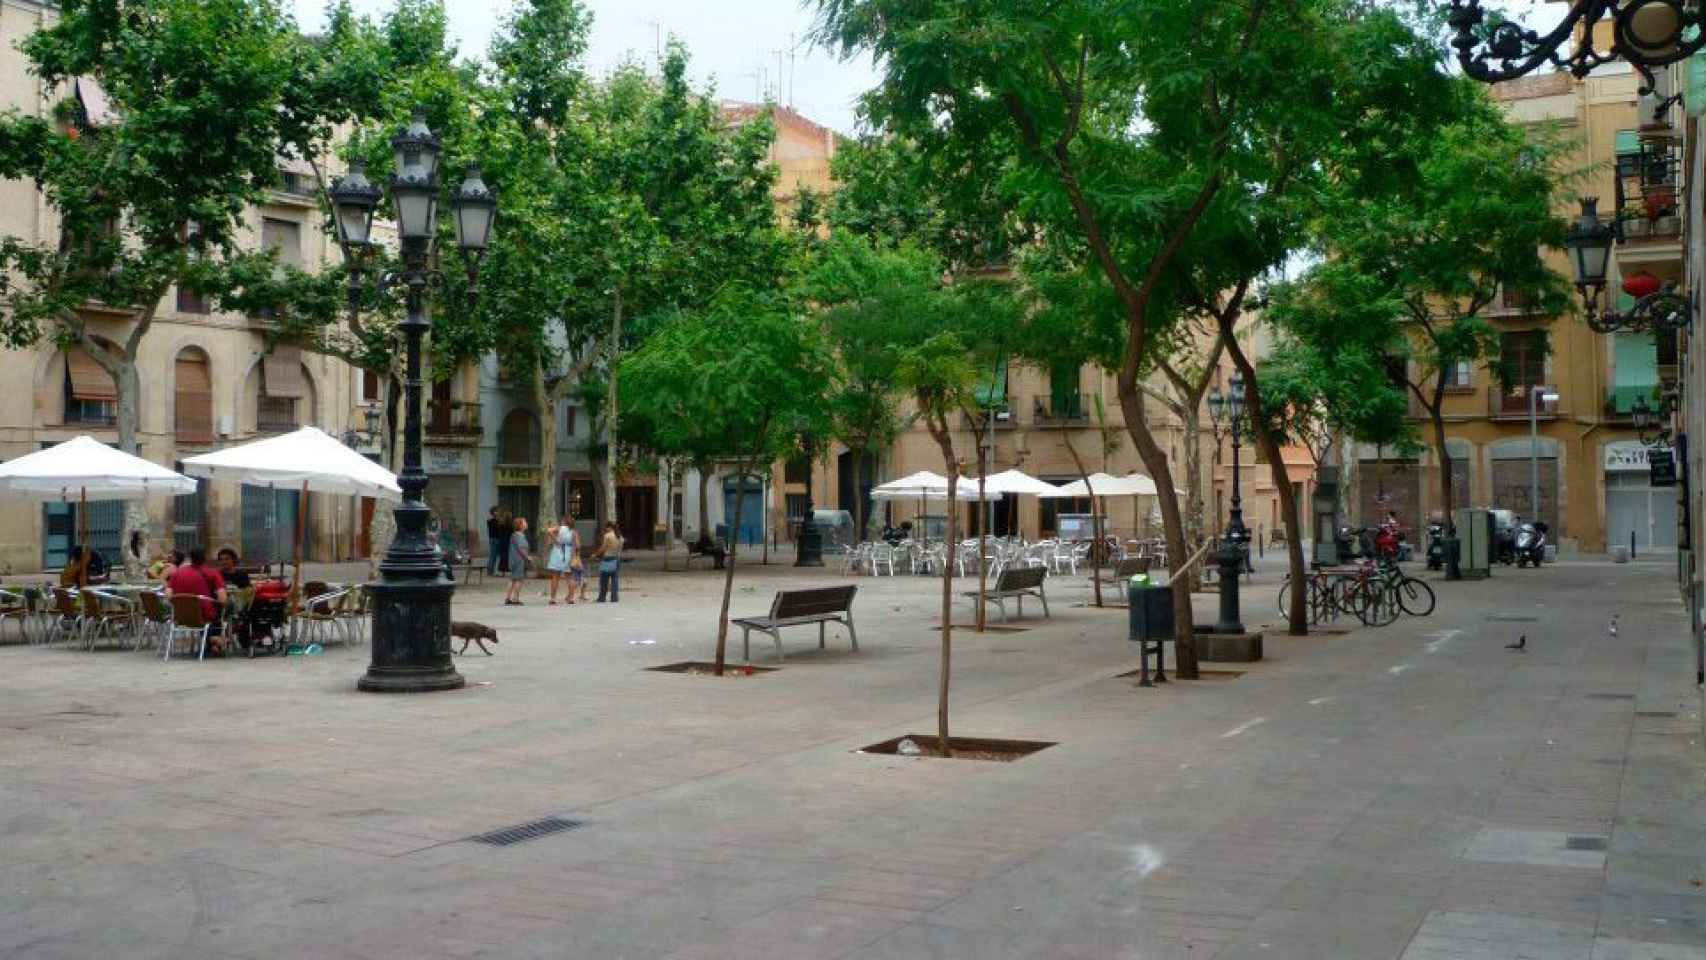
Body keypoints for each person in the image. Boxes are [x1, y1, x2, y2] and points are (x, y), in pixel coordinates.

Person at [166, 547, 227, 653]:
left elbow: (169, 595)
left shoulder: (177, 573)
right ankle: (217, 639)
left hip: (180, 616)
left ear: (191, 558)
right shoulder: (212, 573)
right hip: (204, 616)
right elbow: (223, 599)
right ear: (205, 558)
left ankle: (212, 641)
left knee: (208, 613)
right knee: (224, 609)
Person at [546, 516, 579, 605]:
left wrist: (556, 540)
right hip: (568, 553)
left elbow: (549, 531)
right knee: (569, 577)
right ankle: (571, 598)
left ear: (564, 521)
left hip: (558, 551)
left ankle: (553, 598)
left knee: (555, 577)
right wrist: (573, 556)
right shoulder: (573, 531)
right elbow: (576, 545)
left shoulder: (560, 528)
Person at [503, 516, 533, 605]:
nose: (526, 523)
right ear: (520, 525)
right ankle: (515, 598)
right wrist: (527, 557)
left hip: (514, 559)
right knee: (518, 579)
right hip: (519, 560)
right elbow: (521, 548)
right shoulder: (519, 536)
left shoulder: (515, 535)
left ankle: (508, 598)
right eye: (524, 522)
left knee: (513, 579)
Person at [593, 521, 624, 603]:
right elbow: (620, 550)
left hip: (607, 558)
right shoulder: (620, 537)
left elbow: (603, 548)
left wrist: (596, 554)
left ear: (609, 527)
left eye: (606, 527)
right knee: (615, 579)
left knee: (604, 580)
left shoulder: (607, 536)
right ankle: (614, 597)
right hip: (616, 559)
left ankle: (602, 597)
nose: (605, 529)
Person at [485, 507, 506, 576]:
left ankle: (490, 570)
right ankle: (492, 571)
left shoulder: (490, 520)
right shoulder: (495, 521)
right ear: (494, 512)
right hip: (496, 539)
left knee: (493, 555)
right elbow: (499, 529)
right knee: (494, 555)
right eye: (497, 511)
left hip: (492, 539)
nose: (498, 512)